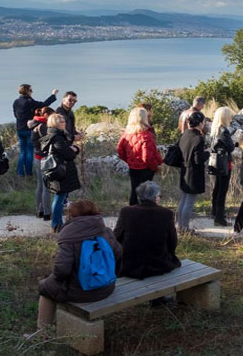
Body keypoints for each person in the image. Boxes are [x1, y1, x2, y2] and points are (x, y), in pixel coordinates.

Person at [37, 200, 122, 330]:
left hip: (81, 291)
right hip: (106, 286)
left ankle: (42, 333)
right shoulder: (105, 230)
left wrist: (56, 280)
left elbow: (62, 270)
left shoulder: (69, 235)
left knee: (45, 288)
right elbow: (118, 253)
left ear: (71, 215)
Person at [113, 181, 181, 279]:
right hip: (158, 264)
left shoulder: (126, 211)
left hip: (130, 265)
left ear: (139, 197)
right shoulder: (167, 213)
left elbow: (116, 236)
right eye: (159, 196)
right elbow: (172, 241)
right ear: (156, 198)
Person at [39, 113, 81, 233]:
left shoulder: (52, 135)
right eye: (62, 121)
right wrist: (75, 150)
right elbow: (68, 155)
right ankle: (56, 224)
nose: (65, 123)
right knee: (59, 197)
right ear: (56, 124)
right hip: (61, 171)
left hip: (57, 170)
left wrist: (71, 149)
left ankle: (57, 223)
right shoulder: (57, 138)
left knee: (60, 197)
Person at [116, 107, 162, 205]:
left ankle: (132, 212)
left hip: (133, 167)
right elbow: (147, 157)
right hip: (146, 169)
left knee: (134, 190)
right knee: (147, 193)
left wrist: (129, 160)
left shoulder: (126, 134)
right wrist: (156, 167)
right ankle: (144, 214)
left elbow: (120, 150)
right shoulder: (146, 135)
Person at [13, 84, 58, 176]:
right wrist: (53, 95)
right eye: (30, 90)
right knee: (29, 151)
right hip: (28, 129)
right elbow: (44, 104)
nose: (32, 92)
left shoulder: (16, 102)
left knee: (22, 152)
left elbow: (15, 115)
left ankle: (20, 173)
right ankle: (28, 172)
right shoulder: (29, 101)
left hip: (19, 129)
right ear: (26, 91)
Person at [177, 111, 210, 232]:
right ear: (201, 123)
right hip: (194, 173)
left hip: (184, 171)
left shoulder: (185, 134)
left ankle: (180, 226)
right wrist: (207, 153)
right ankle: (185, 228)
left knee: (183, 200)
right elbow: (198, 159)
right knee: (189, 202)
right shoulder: (198, 139)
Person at [209, 106, 236, 226]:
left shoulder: (215, 130)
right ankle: (219, 217)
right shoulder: (224, 131)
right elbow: (230, 147)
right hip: (224, 163)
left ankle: (215, 211)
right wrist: (235, 143)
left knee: (217, 188)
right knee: (222, 190)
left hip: (216, 162)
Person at [31, 107, 55, 221]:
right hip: (44, 158)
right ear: (46, 115)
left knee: (40, 186)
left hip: (37, 157)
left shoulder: (35, 124)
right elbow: (49, 142)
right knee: (46, 187)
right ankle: (47, 213)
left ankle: (39, 210)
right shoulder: (43, 126)